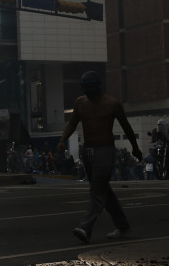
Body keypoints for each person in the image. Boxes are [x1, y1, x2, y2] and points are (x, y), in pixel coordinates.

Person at [57, 71, 142, 244]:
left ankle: (86, 228)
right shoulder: (80, 103)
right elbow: (72, 123)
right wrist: (62, 140)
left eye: (89, 88)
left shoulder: (112, 104)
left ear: (97, 86)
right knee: (103, 189)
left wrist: (135, 148)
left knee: (97, 189)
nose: (86, 91)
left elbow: (126, 127)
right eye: (84, 88)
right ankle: (122, 225)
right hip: (88, 151)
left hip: (105, 150)